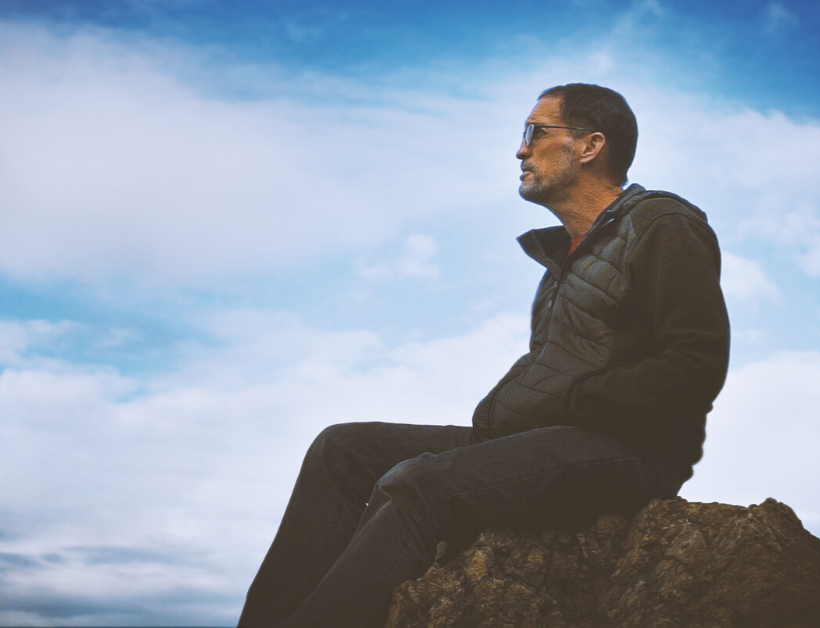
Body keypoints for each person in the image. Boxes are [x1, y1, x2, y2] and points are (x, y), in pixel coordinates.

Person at [237, 83, 730, 628]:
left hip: (631, 450)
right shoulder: (563, 261)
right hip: (543, 437)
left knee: (423, 484)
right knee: (343, 449)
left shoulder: (662, 224)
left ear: (591, 146)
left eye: (535, 132)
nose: (521, 149)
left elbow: (696, 361)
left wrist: (575, 400)